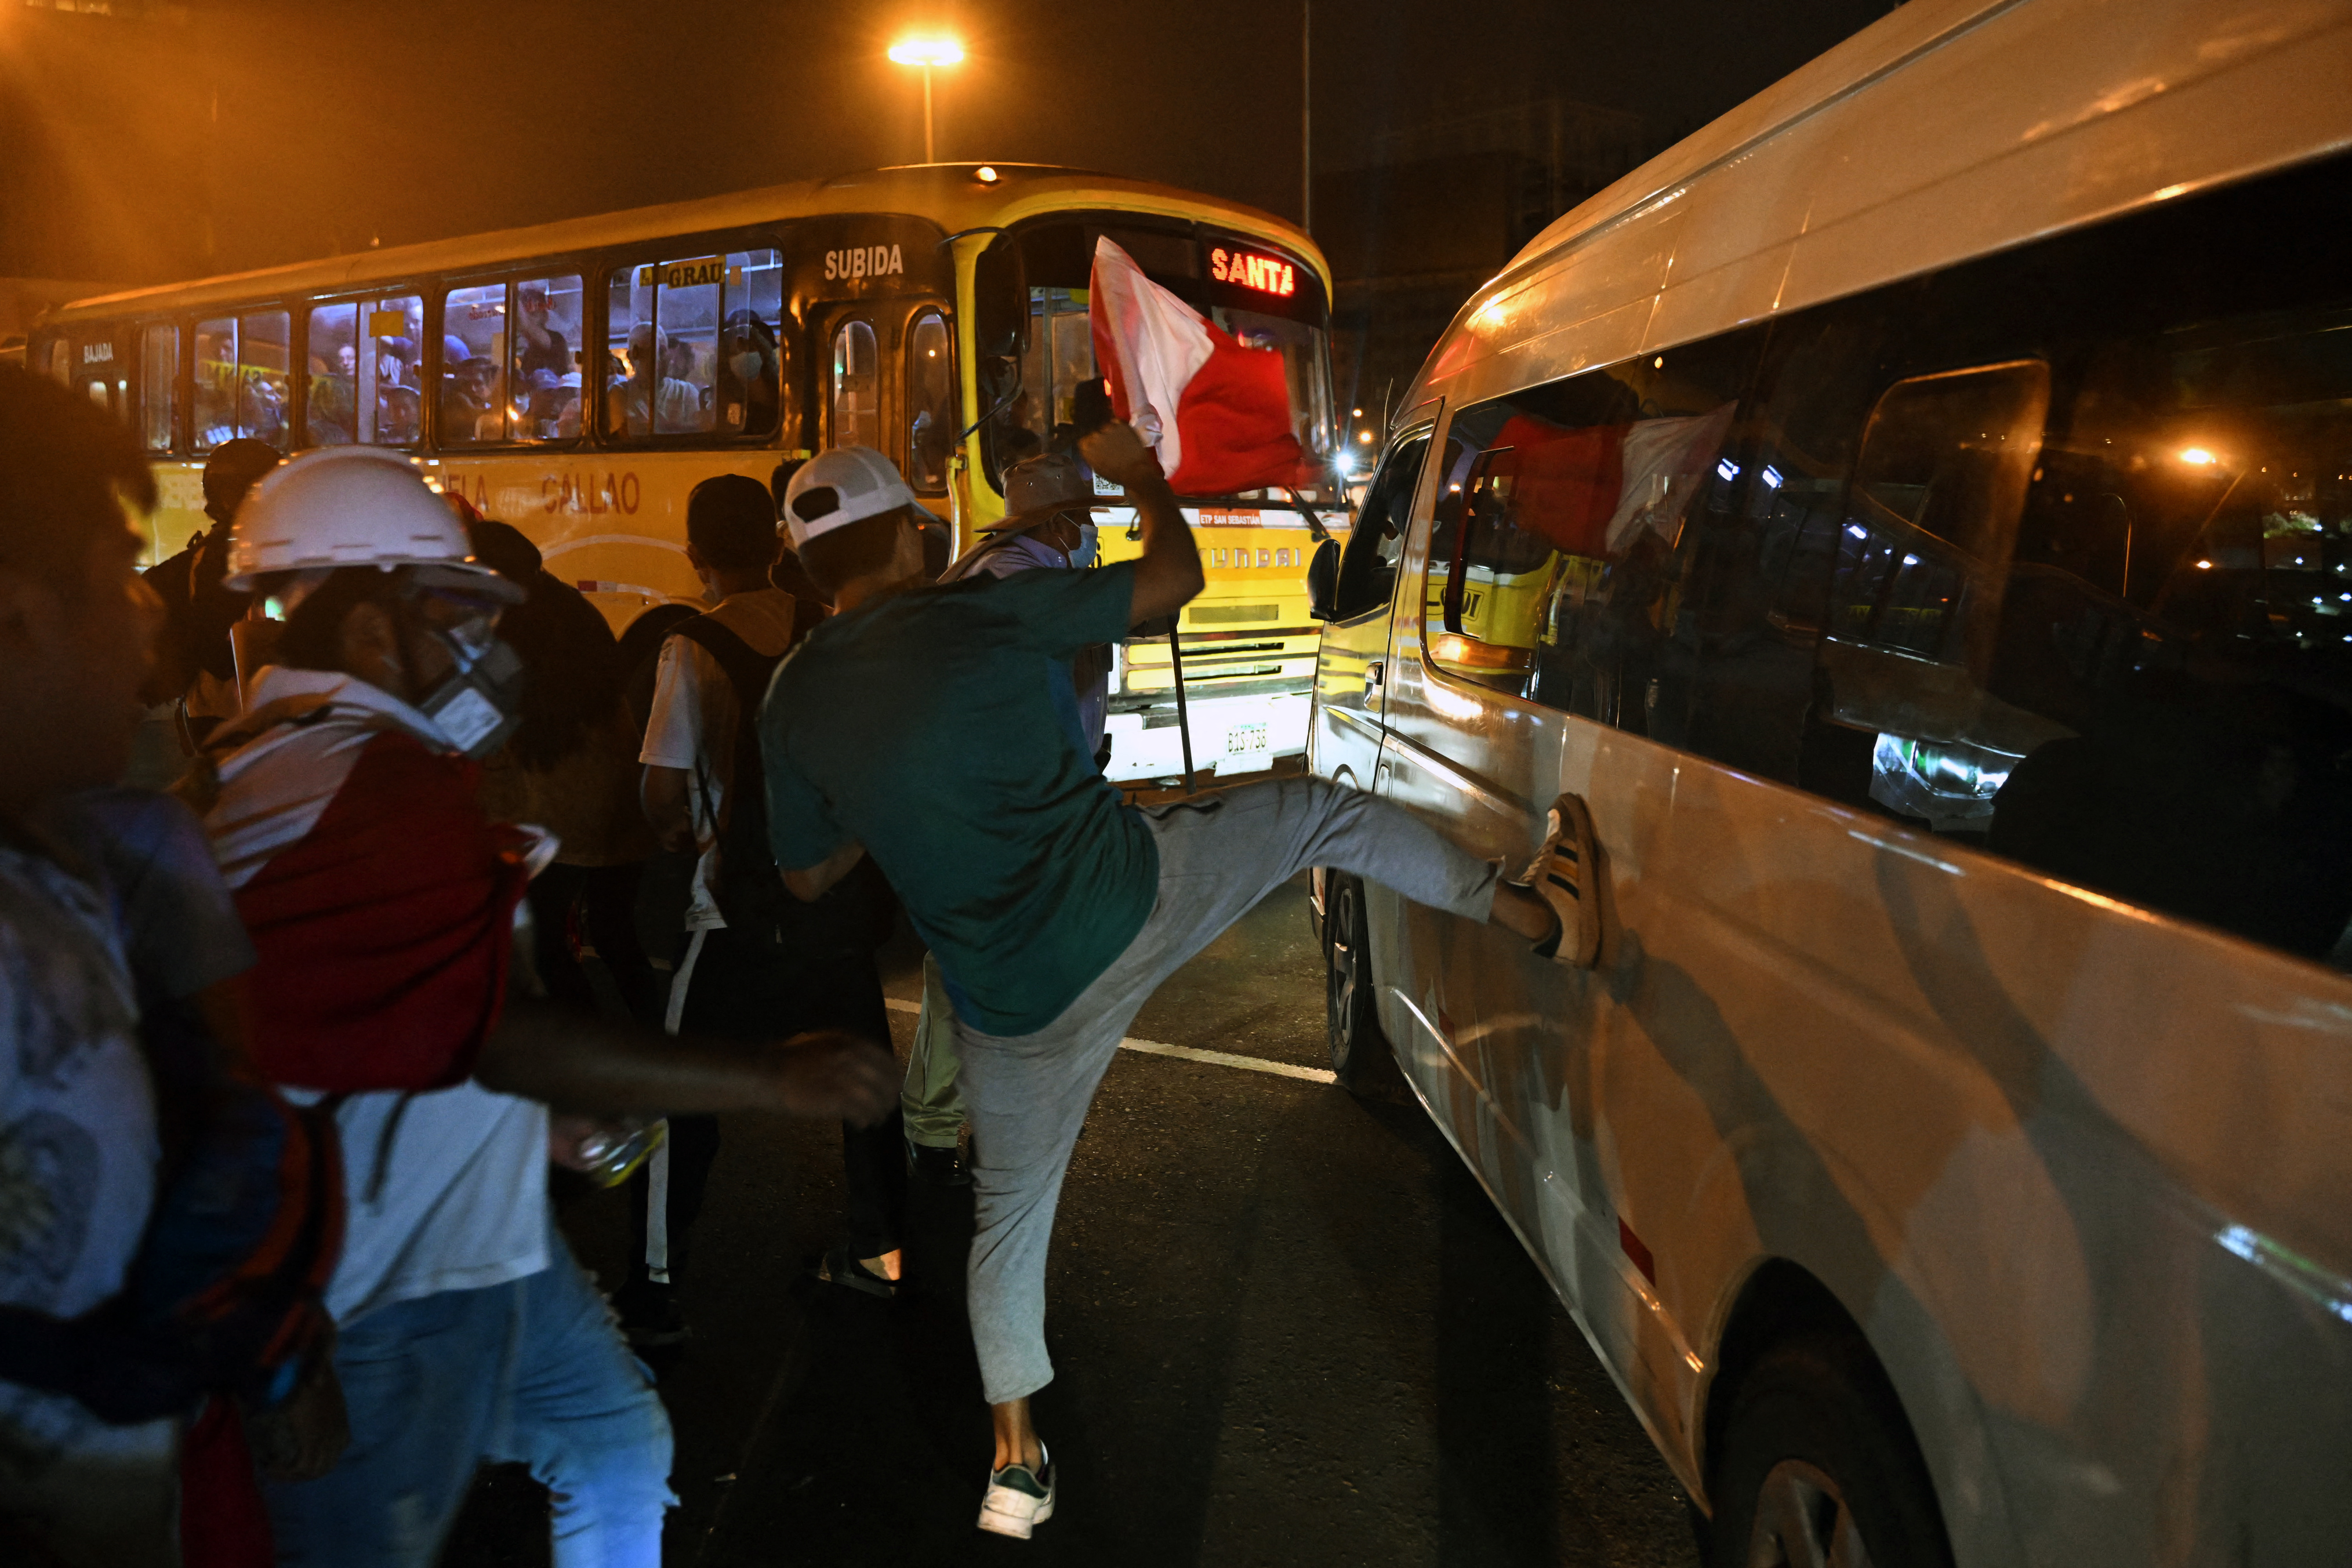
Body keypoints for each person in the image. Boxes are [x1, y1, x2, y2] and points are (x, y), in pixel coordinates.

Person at [762, 430, 1566, 1539]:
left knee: (1008, 1217)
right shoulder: (971, 611)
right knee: (1317, 812)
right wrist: (1142, 480)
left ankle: (1016, 1466)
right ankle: (1533, 911)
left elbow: (806, 873)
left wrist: (888, 798)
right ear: (910, 530)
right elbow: (1172, 583)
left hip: (1007, 1000)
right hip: (1124, 902)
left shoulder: (792, 696)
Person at [197, 447, 896, 1567]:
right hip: (388, 1287)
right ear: (373, 634)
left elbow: (391, 1015)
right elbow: (494, 1029)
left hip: (480, 1243)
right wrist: (771, 1073)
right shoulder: (361, 789)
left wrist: (530, 1121)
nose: (483, 650)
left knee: (616, 1447)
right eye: (451, 616)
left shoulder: (292, 770)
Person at [633, 474, 907, 1339]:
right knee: (865, 1084)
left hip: (732, 910)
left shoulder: (689, 646)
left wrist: (683, 840)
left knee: (680, 1100)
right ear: (776, 544)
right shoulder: (819, 627)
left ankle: (654, 1287)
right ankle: (880, 1254)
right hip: (824, 900)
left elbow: (662, 792)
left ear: (694, 552)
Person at [901, 450, 1114, 1185]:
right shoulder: (1007, 578)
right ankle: (942, 1134)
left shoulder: (1024, 571)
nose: (1091, 532)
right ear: (1058, 523)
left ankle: (965, 1131)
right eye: (1084, 518)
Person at [514, 281, 570, 380]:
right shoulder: (529, 350)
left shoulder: (556, 339)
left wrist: (514, 292)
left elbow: (526, 326)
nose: (528, 315)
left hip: (553, 393)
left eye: (538, 307)